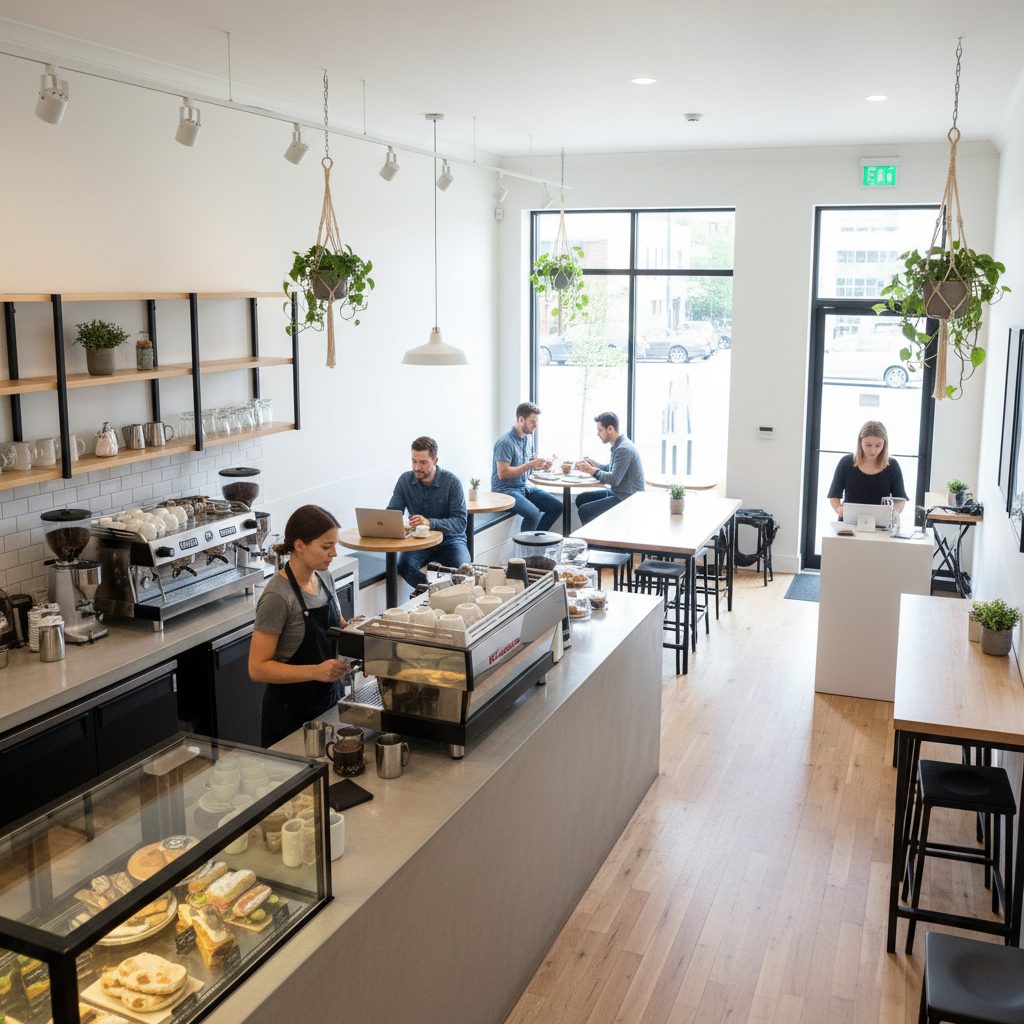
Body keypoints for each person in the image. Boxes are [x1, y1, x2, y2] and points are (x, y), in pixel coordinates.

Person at [249, 504, 352, 748]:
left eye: (335, 545)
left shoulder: (324, 576)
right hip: (289, 715)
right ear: (299, 546)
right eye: (326, 547)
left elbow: (338, 625)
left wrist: (362, 640)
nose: (334, 554)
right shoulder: (277, 596)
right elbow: (257, 668)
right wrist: (316, 671)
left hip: (328, 701)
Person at [387, 435, 470, 587]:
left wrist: (429, 523)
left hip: (450, 540)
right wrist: (394, 524)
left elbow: (460, 523)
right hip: (419, 541)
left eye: (423, 462)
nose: (417, 467)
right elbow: (392, 513)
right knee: (404, 565)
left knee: (461, 571)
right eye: (414, 461)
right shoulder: (405, 480)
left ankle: (439, 591)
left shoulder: (452, 482)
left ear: (435, 460)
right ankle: (434, 591)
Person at [492, 401, 564, 532]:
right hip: (504, 491)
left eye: (537, 421)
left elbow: (529, 464)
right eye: (532, 422)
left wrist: (541, 465)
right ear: (521, 420)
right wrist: (530, 464)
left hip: (524, 487)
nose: (536, 425)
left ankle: (536, 539)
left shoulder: (528, 438)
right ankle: (526, 545)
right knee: (533, 514)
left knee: (557, 507)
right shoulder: (505, 442)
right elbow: (503, 474)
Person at [573, 411, 646, 524]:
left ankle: (594, 536)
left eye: (600, 430)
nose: (598, 434)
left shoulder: (623, 449)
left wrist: (591, 470)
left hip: (627, 498)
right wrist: (596, 464)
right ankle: (599, 532)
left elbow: (614, 479)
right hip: (619, 493)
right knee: (581, 499)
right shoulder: (619, 445)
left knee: (585, 511)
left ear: (610, 429)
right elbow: (613, 469)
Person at [827, 420, 907, 519]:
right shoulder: (846, 463)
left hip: (881, 524)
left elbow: (900, 499)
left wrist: (895, 512)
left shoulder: (892, 466)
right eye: (868, 445)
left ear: (885, 444)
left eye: (878, 445)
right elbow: (834, 496)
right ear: (860, 442)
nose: (873, 450)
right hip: (849, 523)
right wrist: (839, 509)